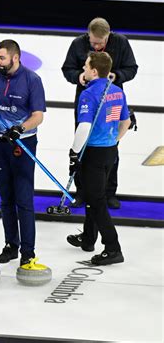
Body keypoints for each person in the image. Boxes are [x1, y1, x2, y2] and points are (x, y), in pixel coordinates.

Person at [61, 17, 138, 209]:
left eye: (100, 43)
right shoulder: (78, 44)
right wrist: (78, 76)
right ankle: (81, 192)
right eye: (93, 42)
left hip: (112, 100)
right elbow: (67, 69)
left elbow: (132, 68)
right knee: (83, 143)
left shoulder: (121, 42)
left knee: (110, 145)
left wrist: (116, 76)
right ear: (88, 35)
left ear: (108, 36)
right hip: (86, 99)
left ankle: (108, 192)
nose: (95, 46)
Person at [0, 39, 46, 266]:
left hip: (23, 143)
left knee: (24, 198)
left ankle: (28, 251)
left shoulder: (32, 80)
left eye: (2, 58)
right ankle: (11, 244)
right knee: (5, 198)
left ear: (15, 57)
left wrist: (20, 128)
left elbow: (38, 115)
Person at [66, 52, 130, 266]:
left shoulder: (88, 94)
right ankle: (88, 238)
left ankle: (113, 247)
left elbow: (83, 126)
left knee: (96, 199)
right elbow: (126, 121)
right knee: (94, 193)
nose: (83, 69)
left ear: (94, 71)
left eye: (85, 66)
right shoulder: (117, 91)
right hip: (110, 150)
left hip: (93, 151)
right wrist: (114, 140)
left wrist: (74, 152)